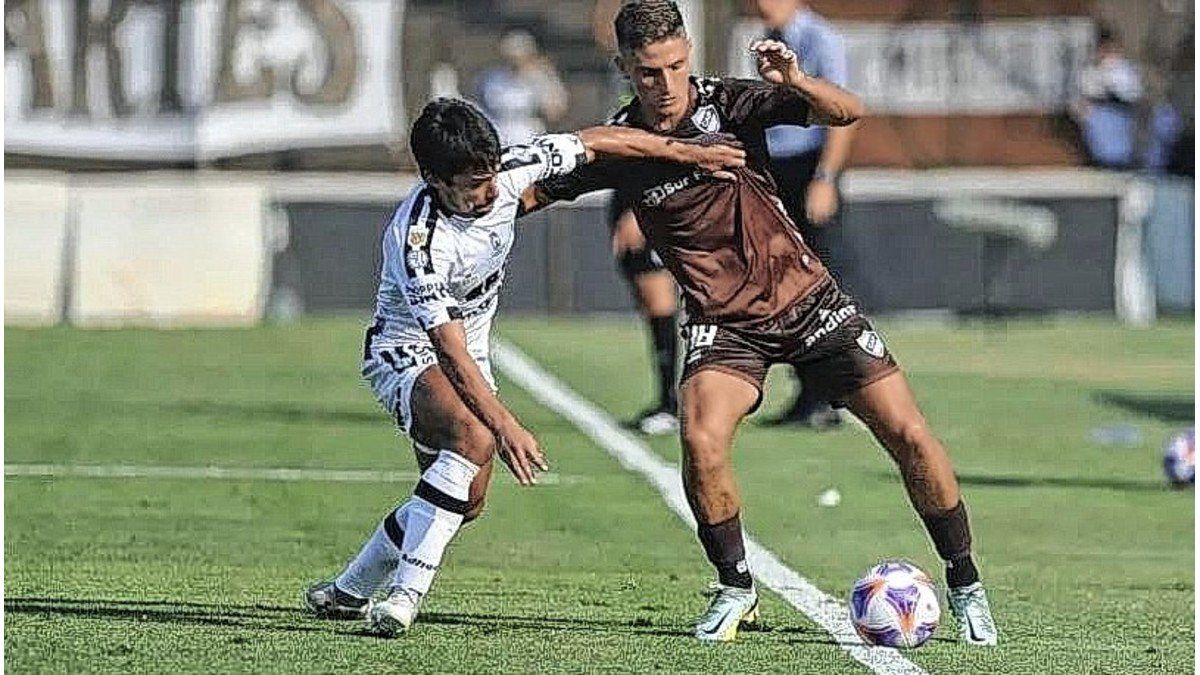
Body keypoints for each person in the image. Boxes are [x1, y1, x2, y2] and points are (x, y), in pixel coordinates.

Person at [525, 0, 998, 646]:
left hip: (810, 303)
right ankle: (735, 585)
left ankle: (966, 582)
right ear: (624, 69)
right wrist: (478, 203)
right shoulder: (623, 146)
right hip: (725, 325)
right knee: (700, 434)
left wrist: (796, 81)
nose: (665, 85)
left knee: (909, 433)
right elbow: (530, 193)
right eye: (648, 73)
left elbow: (848, 110)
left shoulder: (731, 103)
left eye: (675, 66)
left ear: (688, 53)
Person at [303, 97, 745, 636]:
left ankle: (348, 589)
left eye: (489, 177)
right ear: (433, 180)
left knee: (463, 502)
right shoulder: (416, 241)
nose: (487, 193)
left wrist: (685, 153)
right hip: (406, 352)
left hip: (472, 352)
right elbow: (448, 352)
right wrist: (506, 424)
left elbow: (599, 140)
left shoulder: (510, 172)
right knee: (474, 436)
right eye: (470, 185)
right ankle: (403, 596)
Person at [755, 0, 857, 429]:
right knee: (781, 284)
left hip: (808, 167)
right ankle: (807, 391)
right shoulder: (766, 42)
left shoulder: (821, 40)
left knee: (817, 283)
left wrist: (826, 178)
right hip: (775, 169)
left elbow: (843, 113)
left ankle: (832, 394)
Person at [477, 30, 570, 144]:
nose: (514, 61)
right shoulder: (491, 78)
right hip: (498, 137)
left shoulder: (540, 78)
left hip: (529, 137)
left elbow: (555, 112)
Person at [1071, 25, 1143, 169]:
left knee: (1119, 157)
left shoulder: (1123, 69)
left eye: (1107, 48)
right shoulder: (1090, 71)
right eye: (1100, 48)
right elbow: (1083, 94)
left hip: (1119, 119)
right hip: (1098, 126)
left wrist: (1109, 91)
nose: (1103, 52)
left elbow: (1132, 93)